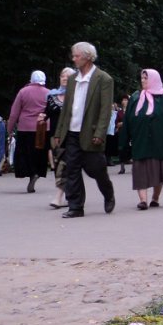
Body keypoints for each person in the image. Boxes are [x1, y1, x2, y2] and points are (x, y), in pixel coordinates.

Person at [52, 41, 116, 218]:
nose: (73, 59)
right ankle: (76, 207)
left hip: (91, 132)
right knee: (72, 169)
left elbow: (105, 109)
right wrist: (59, 132)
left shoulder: (104, 79)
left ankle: (108, 193)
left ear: (87, 57)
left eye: (76, 56)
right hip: (72, 132)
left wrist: (100, 133)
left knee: (96, 169)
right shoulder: (72, 79)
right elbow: (66, 109)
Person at [120, 69, 163, 209]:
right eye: (142, 78)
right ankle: (143, 200)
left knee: (159, 169)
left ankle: (155, 198)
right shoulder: (135, 97)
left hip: (160, 141)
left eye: (146, 78)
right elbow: (127, 120)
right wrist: (124, 142)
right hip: (140, 140)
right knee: (140, 169)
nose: (143, 80)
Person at [8, 70, 50, 192]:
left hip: (25, 128)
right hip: (42, 128)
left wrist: (10, 129)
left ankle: (30, 173)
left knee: (25, 154)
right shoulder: (48, 93)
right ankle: (37, 172)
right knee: (39, 153)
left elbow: (14, 113)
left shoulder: (23, 92)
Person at [44, 67, 76, 207]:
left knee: (66, 165)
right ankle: (71, 195)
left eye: (68, 76)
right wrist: (42, 117)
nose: (64, 78)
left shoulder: (77, 96)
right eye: (62, 75)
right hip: (55, 137)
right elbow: (47, 113)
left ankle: (59, 196)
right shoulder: (51, 96)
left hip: (72, 135)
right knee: (59, 166)